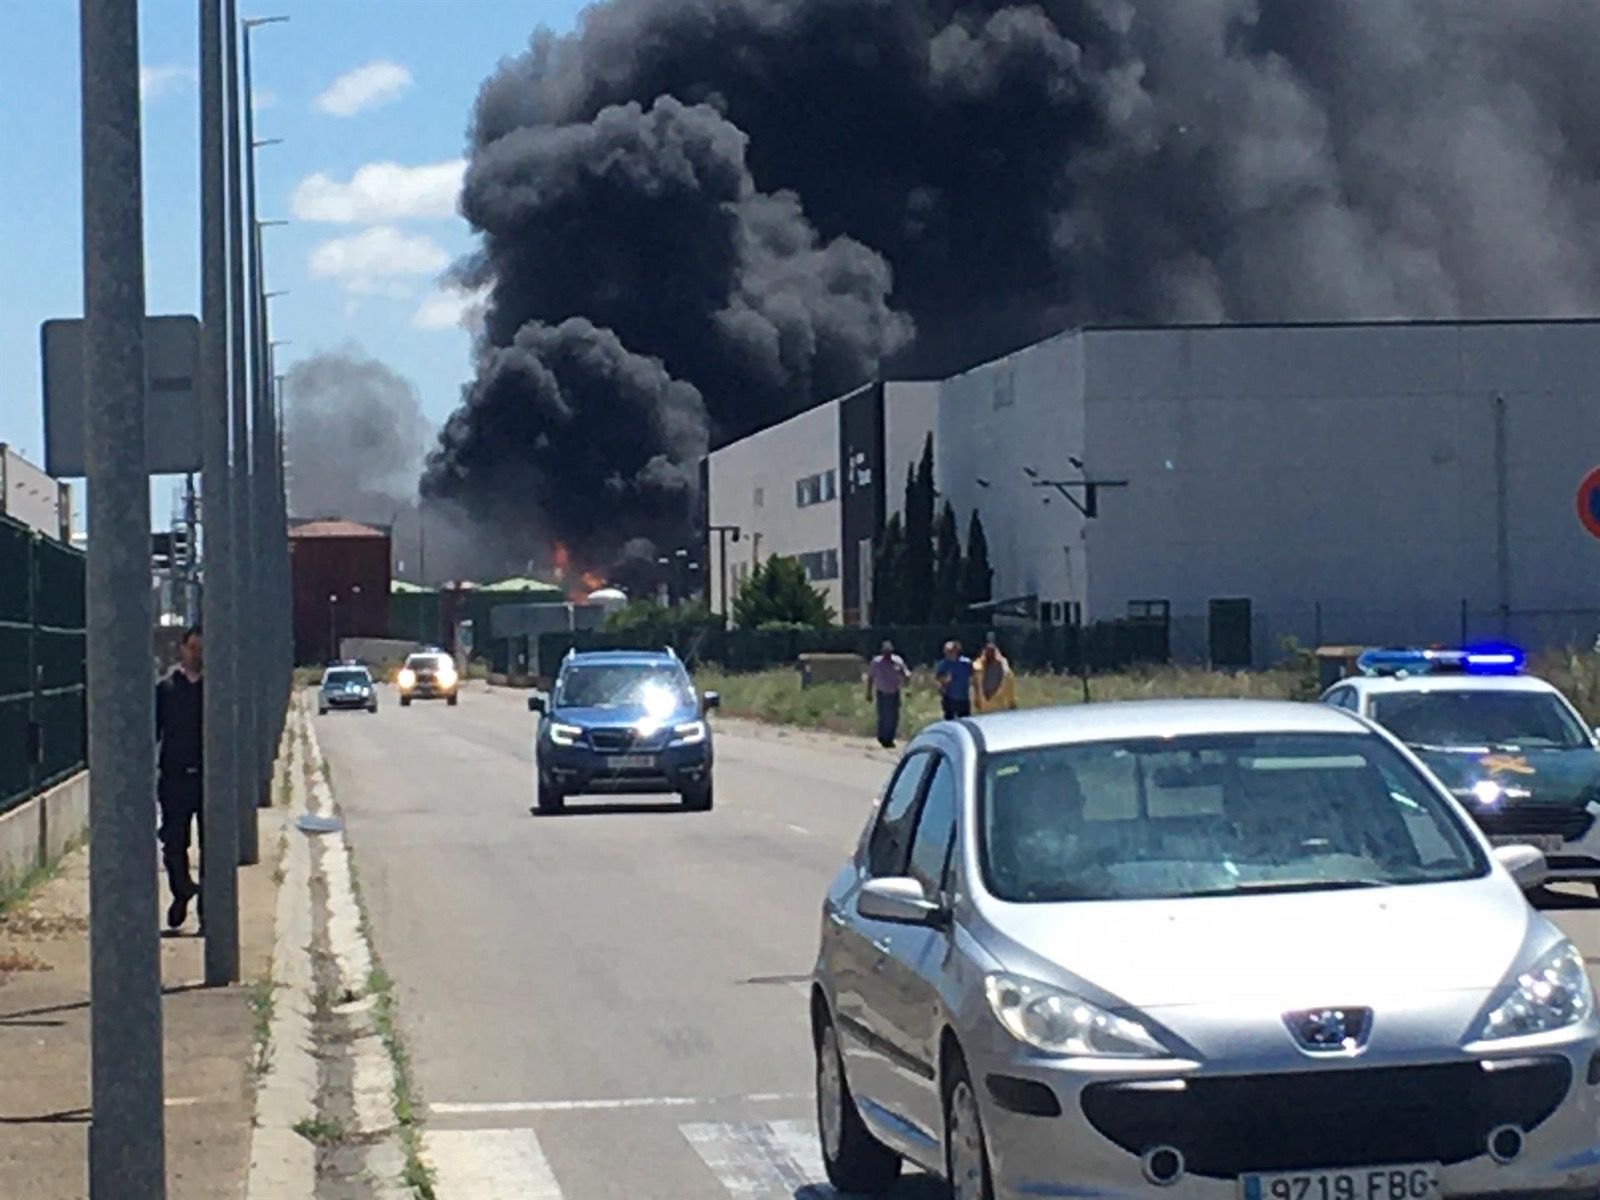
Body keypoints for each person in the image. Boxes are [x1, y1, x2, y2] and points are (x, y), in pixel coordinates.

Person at [156, 625, 204, 931]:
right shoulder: (167, 689)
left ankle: (209, 911)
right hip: (174, 778)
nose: (197, 654)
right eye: (193, 648)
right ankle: (182, 890)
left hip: (208, 778)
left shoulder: (215, 689)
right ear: (182, 649)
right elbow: (153, 730)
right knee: (173, 843)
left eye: (202, 649)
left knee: (213, 847)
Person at [865, 640, 911, 748]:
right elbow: (871, 677)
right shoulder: (876, 662)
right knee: (883, 715)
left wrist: (907, 687)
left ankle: (890, 737)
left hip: (894, 691)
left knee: (894, 716)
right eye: (885, 651)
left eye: (889, 651)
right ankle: (882, 737)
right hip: (881, 691)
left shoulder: (897, 661)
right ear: (882, 651)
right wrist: (869, 692)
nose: (887, 654)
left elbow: (906, 674)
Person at [972, 632, 1019, 714]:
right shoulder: (978, 668)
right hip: (984, 709)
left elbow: (1009, 688)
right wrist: (977, 700)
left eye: (992, 649)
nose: (990, 652)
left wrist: (1012, 704)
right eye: (988, 649)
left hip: (1000, 710)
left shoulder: (1005, 670)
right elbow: (976, 686)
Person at [934, 639, 974, 721]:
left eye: (950, 651)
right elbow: (938, 678)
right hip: (949, 697)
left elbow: (973, 676)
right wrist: (943, 682)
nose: (948, 653)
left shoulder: (966, 663)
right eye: (947, 651)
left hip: (963, 697)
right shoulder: (943, 664)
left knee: (965, 719)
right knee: (949, 719)